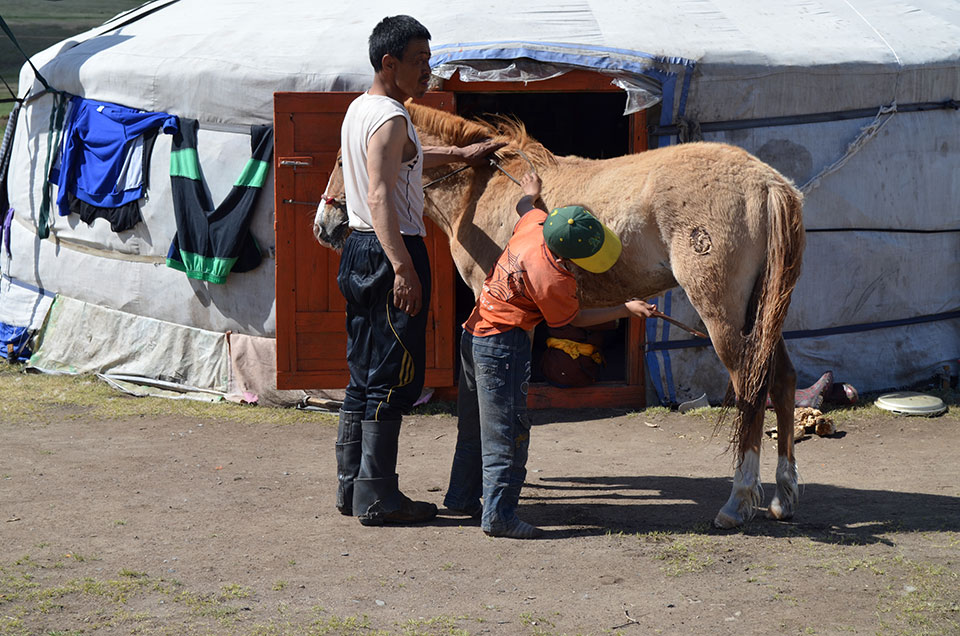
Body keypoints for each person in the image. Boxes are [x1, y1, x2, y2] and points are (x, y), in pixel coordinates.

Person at [334, 15, 503, 527]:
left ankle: (353, 488)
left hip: (359, 249)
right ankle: (379, 496)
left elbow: (402, 158)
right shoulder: (389, 117)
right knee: (392, 376)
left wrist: (458, 152)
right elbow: (380, 192)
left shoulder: (362, 109)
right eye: (420, 61)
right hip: (391, 249)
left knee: (363, 371)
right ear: (390, 63)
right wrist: (403, 267)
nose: (428, 71)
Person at [443, 172, 657, 539]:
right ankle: (500, 516)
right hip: (502, 348)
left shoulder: (535, 224)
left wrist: (532, 194)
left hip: (473, 332)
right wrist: (624, 308)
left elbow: (524, 205)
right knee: (508, 432)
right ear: (568, 255)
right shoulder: (553, 277)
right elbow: (571, 320)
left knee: (475, 425)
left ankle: (463, 498)